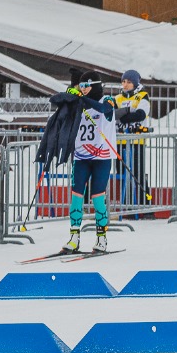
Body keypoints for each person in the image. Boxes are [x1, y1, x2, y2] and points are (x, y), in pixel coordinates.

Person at [49, 74, 116, 253]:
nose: (83, 88)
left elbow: (104, 109)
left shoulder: (106, 99)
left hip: (101, 157)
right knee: (76, 196)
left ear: (94, 85)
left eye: (86, 85)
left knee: (97, 198)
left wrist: (82, 98)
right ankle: (74, 237)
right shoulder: (79, 102)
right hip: (81, 156)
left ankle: (101, 238)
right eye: (81, 86)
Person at [109, 69, 152, 208]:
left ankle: (144, 205)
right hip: (120, 141)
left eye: (128, 82)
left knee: (137, 173)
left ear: (135, 83)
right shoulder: (118, 98)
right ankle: (126, 204)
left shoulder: (142, 96)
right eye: (123, 81)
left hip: (136, 141)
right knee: (122, 173)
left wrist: (124, 115)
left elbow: (140, 114)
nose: (125, 85)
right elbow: (112, 115)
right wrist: (122, 115)